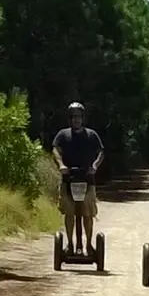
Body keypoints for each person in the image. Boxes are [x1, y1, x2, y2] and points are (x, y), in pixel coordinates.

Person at [52, 102, 104, 253]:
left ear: (83, 118)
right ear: (69, 119)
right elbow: (55, 149)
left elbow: (101, 151)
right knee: (69, 213)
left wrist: (95, 165)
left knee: (88, 214)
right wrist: (61, 165)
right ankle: (69, 244)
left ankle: (88, 245)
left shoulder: (91, 135)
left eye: (79, 117)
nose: (76, 120)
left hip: (87, 179)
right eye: (73, 117)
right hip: (68, 179)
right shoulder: (63, 134)